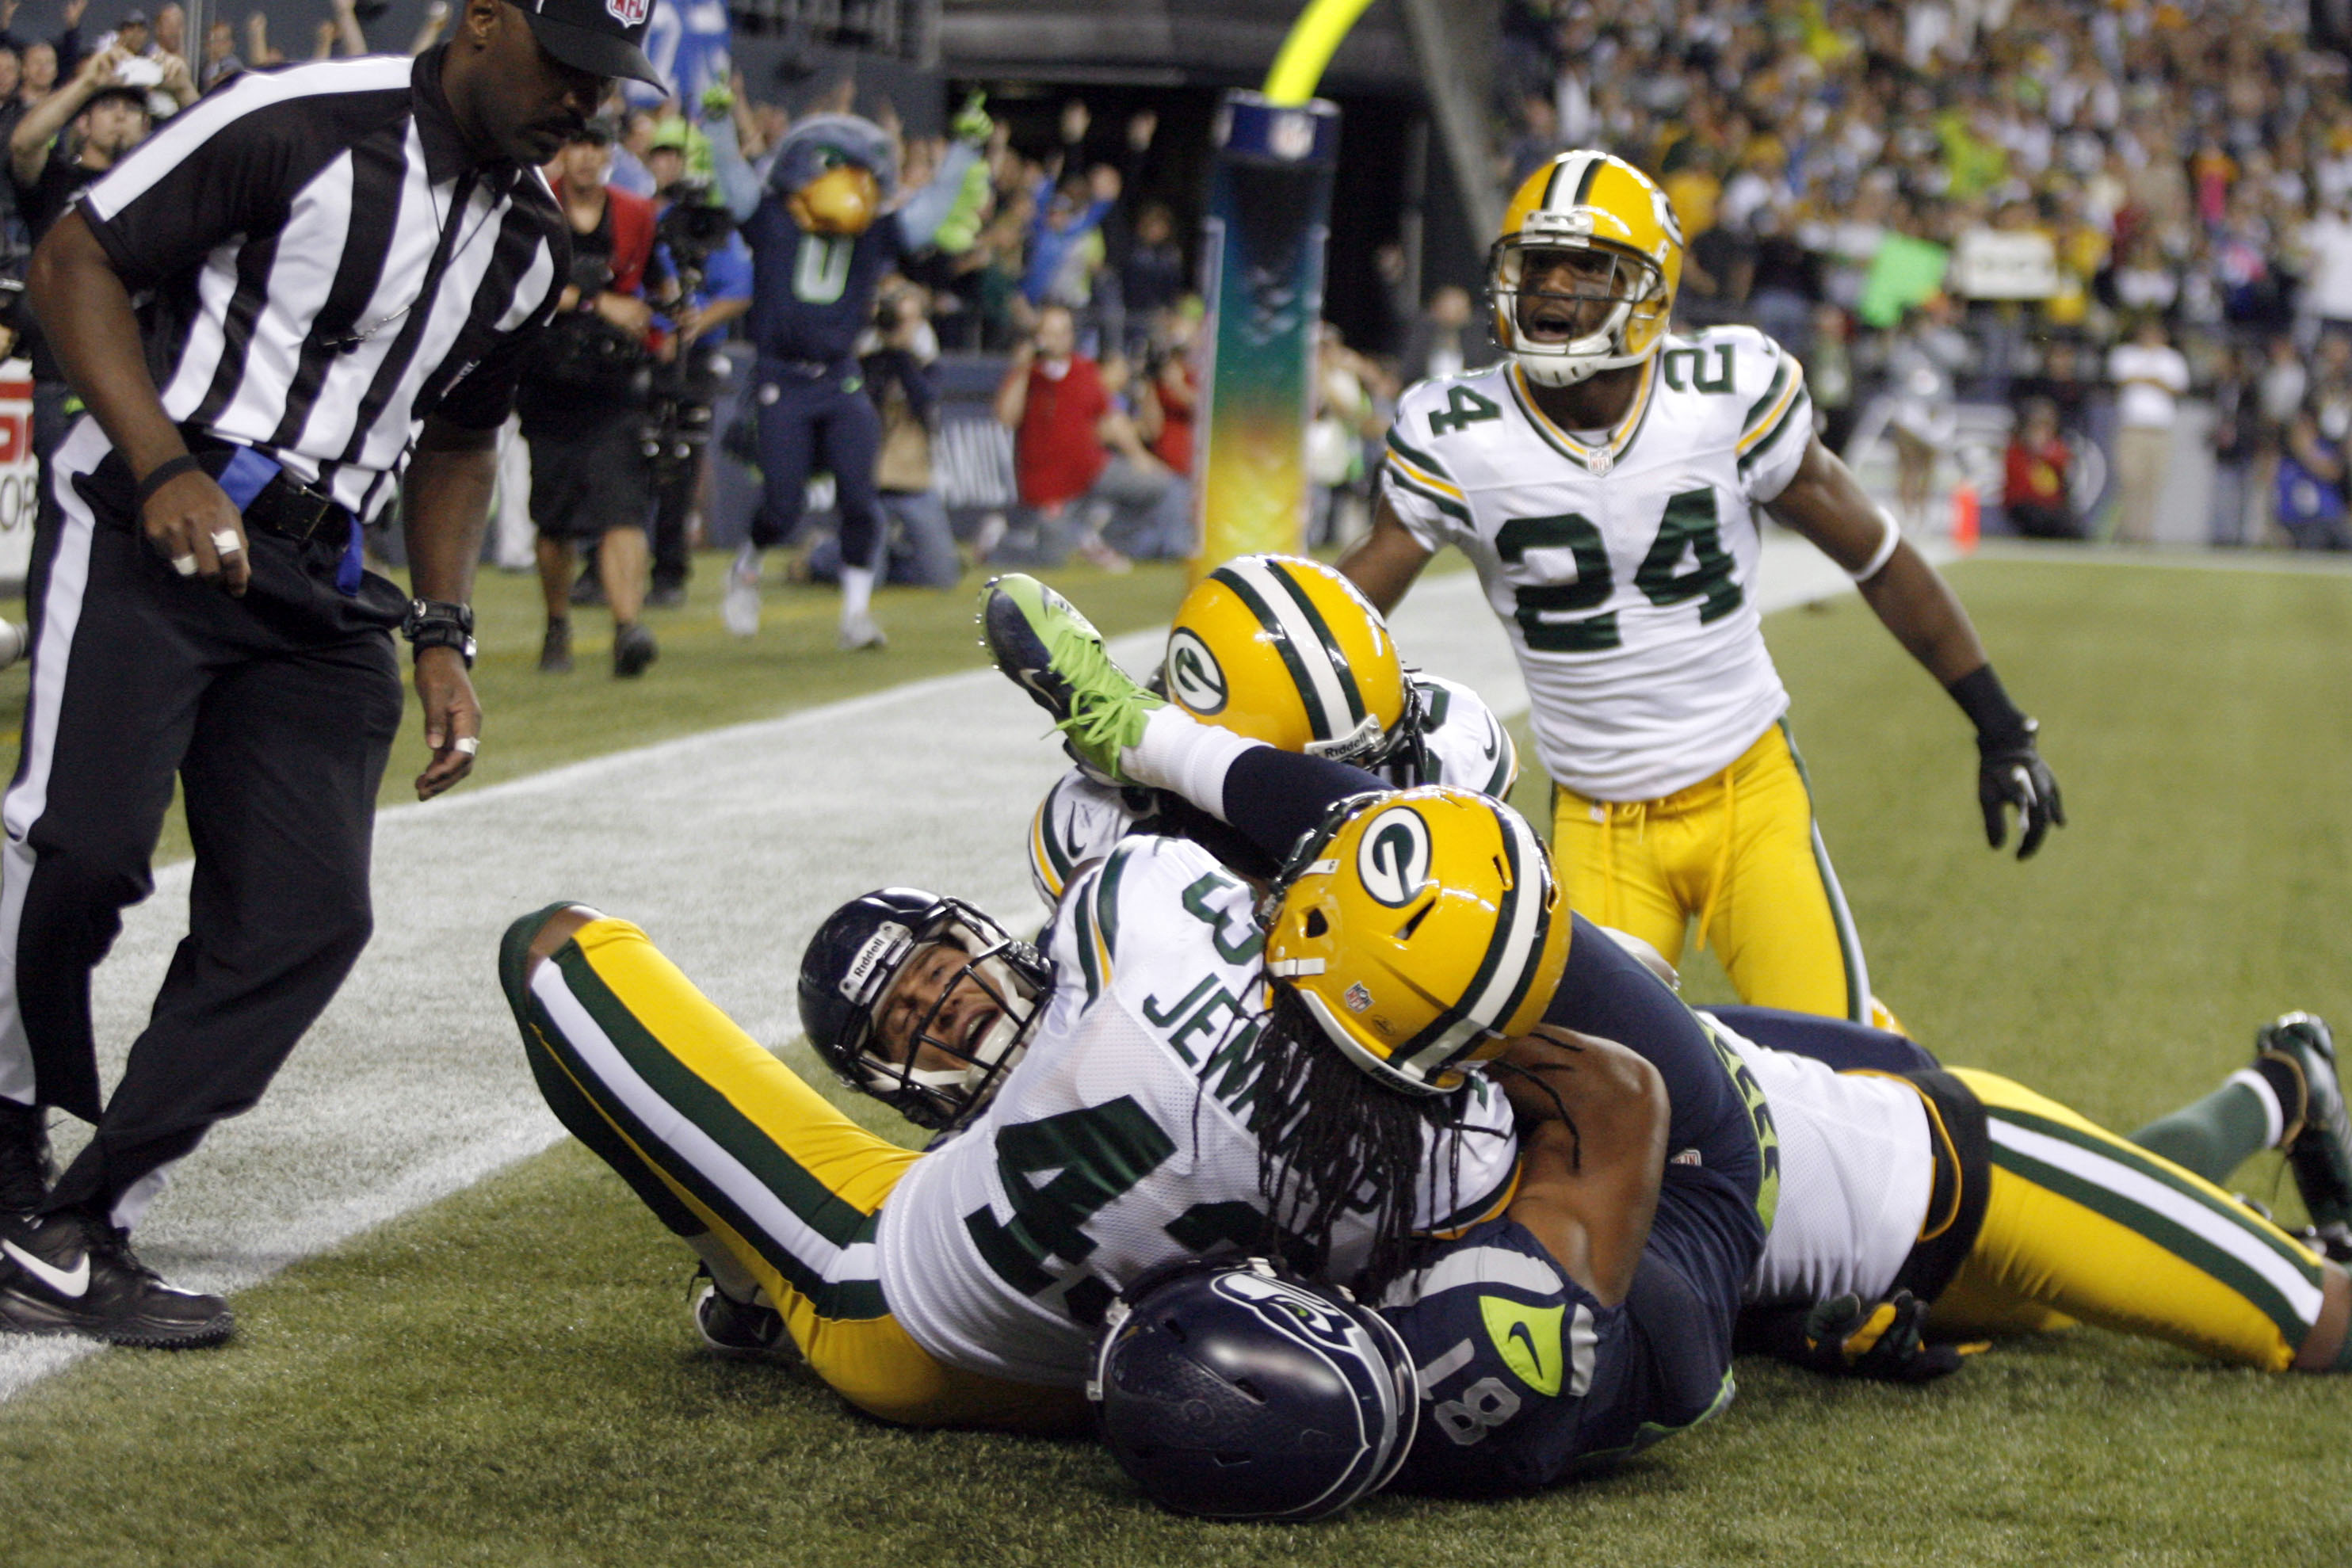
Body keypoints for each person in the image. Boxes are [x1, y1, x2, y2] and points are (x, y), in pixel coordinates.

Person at [0, 0, 659, 1349]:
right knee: (73, 845)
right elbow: (74, 259)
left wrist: (441, 631)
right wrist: (163, 466)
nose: (585, 109)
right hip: (149, 514)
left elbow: (462, 443)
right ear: (482, 22)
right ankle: (6, 1160)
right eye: (568, 68)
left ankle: (83, 1219)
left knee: (304, 914)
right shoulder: (297, 120)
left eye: (608, 84)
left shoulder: (529, 245)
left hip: (322, 580)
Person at [1338, 151, 2063, 1029]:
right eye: (1536, 265)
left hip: (1745, 793)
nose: (1552, 291)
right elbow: (1341, 612)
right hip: (1595, 821)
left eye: (1586, 268)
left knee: (1841, 1065)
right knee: (1593, 1108)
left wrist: (1998, 722)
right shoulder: (1458, 431)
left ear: (1648, 289)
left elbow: (1876, 555)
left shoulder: (1721, 393)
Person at [1026, 553, 1518, 907]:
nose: (1344, 788)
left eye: (1366, 765)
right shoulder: (1102, 825)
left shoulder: (1449, 740)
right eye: (1310, 776)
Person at [706, 96, 991, 651]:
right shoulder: (772, 218)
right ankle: (746, 568)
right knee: (783, 503)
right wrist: (717, 125)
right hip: (781, 377)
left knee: (861, 499)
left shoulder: (873, 232)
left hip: (841, 376)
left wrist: (964, 152)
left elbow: (931, 211)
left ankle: (855, 615)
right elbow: (733, 180)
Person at [520, 119, 666, 678]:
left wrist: (663, 320)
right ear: (563, 149)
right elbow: (520, 283)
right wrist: (594, 303)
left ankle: (628, 627)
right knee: (553, 520)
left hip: (614, 384)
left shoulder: (635, 214)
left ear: (608, 153)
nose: (586, 156)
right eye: (577, 143)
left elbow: (654, 284)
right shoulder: (534, 204)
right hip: (548, 379)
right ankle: (558, 622)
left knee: (622, 508)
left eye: (596, 145)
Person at [9, 45, 159, 467]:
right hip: (64, 376)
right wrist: (87, 83)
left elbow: (216, 164)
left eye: (132, 110)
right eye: (108, 105)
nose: (120, 116)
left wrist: (184, 89)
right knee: (62, 518)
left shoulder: (159, 190)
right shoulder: (58, 181)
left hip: (143, 378)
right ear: (84, 121)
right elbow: (24, 143)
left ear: (148, 125)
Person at [640, 122, 750, 609]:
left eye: (674, 153)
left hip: (694, 352)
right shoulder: (640, 213)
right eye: (659, 153)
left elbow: (739, 290)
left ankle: (669, 570)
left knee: (680, 462)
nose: (667, 162)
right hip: (644, 345)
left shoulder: (710, 221)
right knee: (625, 458)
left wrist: (696, 321)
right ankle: (601, 566)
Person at [985, 302, 1178, 570]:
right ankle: (1000, 543)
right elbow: (1006, 417)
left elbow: (1109, 417)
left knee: (1158, 485)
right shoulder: (1029, 375)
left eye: (1063, 332)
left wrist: (1138, 456)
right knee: (1051, 558)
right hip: (1050, 486)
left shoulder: (1083, 369)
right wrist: (1022, 369)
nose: (1057, 339)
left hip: (1092, 469)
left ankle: (1101, 536)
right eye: (1050, 332)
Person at [2106, 315, 2189, 544]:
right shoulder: (2125, 354)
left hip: (2159, 432)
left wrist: (2146, 380)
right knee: (2130, 481)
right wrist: (2153, 380)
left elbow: (2176, 387)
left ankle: (2144, 534)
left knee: (2153, 485)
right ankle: (2127, 532)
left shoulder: (2172, 359)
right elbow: (2122, 379)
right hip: (2132, 429)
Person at [2001, 397, 2079, 539]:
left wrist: (2044, 452)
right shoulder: (2017, 450)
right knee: (2039, 517)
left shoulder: (2055, 448)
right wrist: (2032, 452)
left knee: (2071, 526)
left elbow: (2064, 465)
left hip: (2051, 506)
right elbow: (2017, 488)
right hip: (2027, 505)